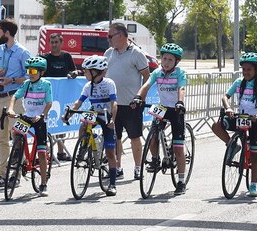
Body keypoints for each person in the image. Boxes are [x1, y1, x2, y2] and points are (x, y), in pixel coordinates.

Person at [213, 52, 257, 198]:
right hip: (240, 117)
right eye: (244, 69)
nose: (246, 72)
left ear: (256, 70)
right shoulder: (239, 82)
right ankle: (233, 145)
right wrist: (228, 107)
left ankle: (253, 185)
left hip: (255, 120)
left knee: (255, 153)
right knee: (216, 125)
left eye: (249, 69)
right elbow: (225, 96)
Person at [131, 43, 189, 195]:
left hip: (176, 109)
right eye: (164, 58)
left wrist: (180, 102)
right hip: (162, 108)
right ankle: (155, 159)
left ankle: (181, 181)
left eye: (170, 59)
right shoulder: (157, 72)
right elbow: (147, 85)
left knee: (178, 148)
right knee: (152, 137)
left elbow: (181, 89)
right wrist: (138, 97)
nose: (166, 62)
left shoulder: (180, 73)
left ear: (176, 62)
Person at [104, 22, 150, 180]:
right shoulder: (108, 53)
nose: (108, 39)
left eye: (110, 36)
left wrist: (140, 98)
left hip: (131, 104)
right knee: (115, 137)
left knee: (134, 137)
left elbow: (147, 77)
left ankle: (138, 167)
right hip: (113, 104)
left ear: (121, 36)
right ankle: (117, 167)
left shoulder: (136, 53)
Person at [68, 55, 119, 196]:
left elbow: (114, 103)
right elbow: (79, 102)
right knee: (84, 123)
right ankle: (84, 146)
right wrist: (69, 113)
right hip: (94, 113)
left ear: (97, 72)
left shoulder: (109, 83)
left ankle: (112, 184)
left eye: (87, 71)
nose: (84, 73)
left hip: (106, 115)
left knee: (110, 153)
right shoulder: (87, 86)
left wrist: (113, 119)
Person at [0, 18, 30, 188]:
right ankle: (3, 174)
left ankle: (17, 173)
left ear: (7, 33)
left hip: (16, 98)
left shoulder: (22, 52)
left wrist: (11, 79)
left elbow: (30, 77)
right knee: (1, 138)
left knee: (18, 137)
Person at [7, 57, 53, 196]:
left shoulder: (46, 84)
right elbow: (15, 96)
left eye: (33, 71)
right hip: (28, 116)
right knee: (16, 131)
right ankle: (18, 153)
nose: (30, 73)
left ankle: (43, 183)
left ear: (41, 73)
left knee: (41, 153)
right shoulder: (26, 84)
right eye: (28, 70)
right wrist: (10, 109)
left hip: (40, 118)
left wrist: (43, 114)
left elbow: (49, 103)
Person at [42, 32, 78, 162]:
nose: (54, 45)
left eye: (56, 42)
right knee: (46, 123)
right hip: (48, 97)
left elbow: (74, 70)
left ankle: (61, 152)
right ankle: (45, 151)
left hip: (63, 96)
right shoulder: (45, 57)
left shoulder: (66, 56)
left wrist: (73, 74)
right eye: (52, 42)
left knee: (60, 123)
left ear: (61, 43)